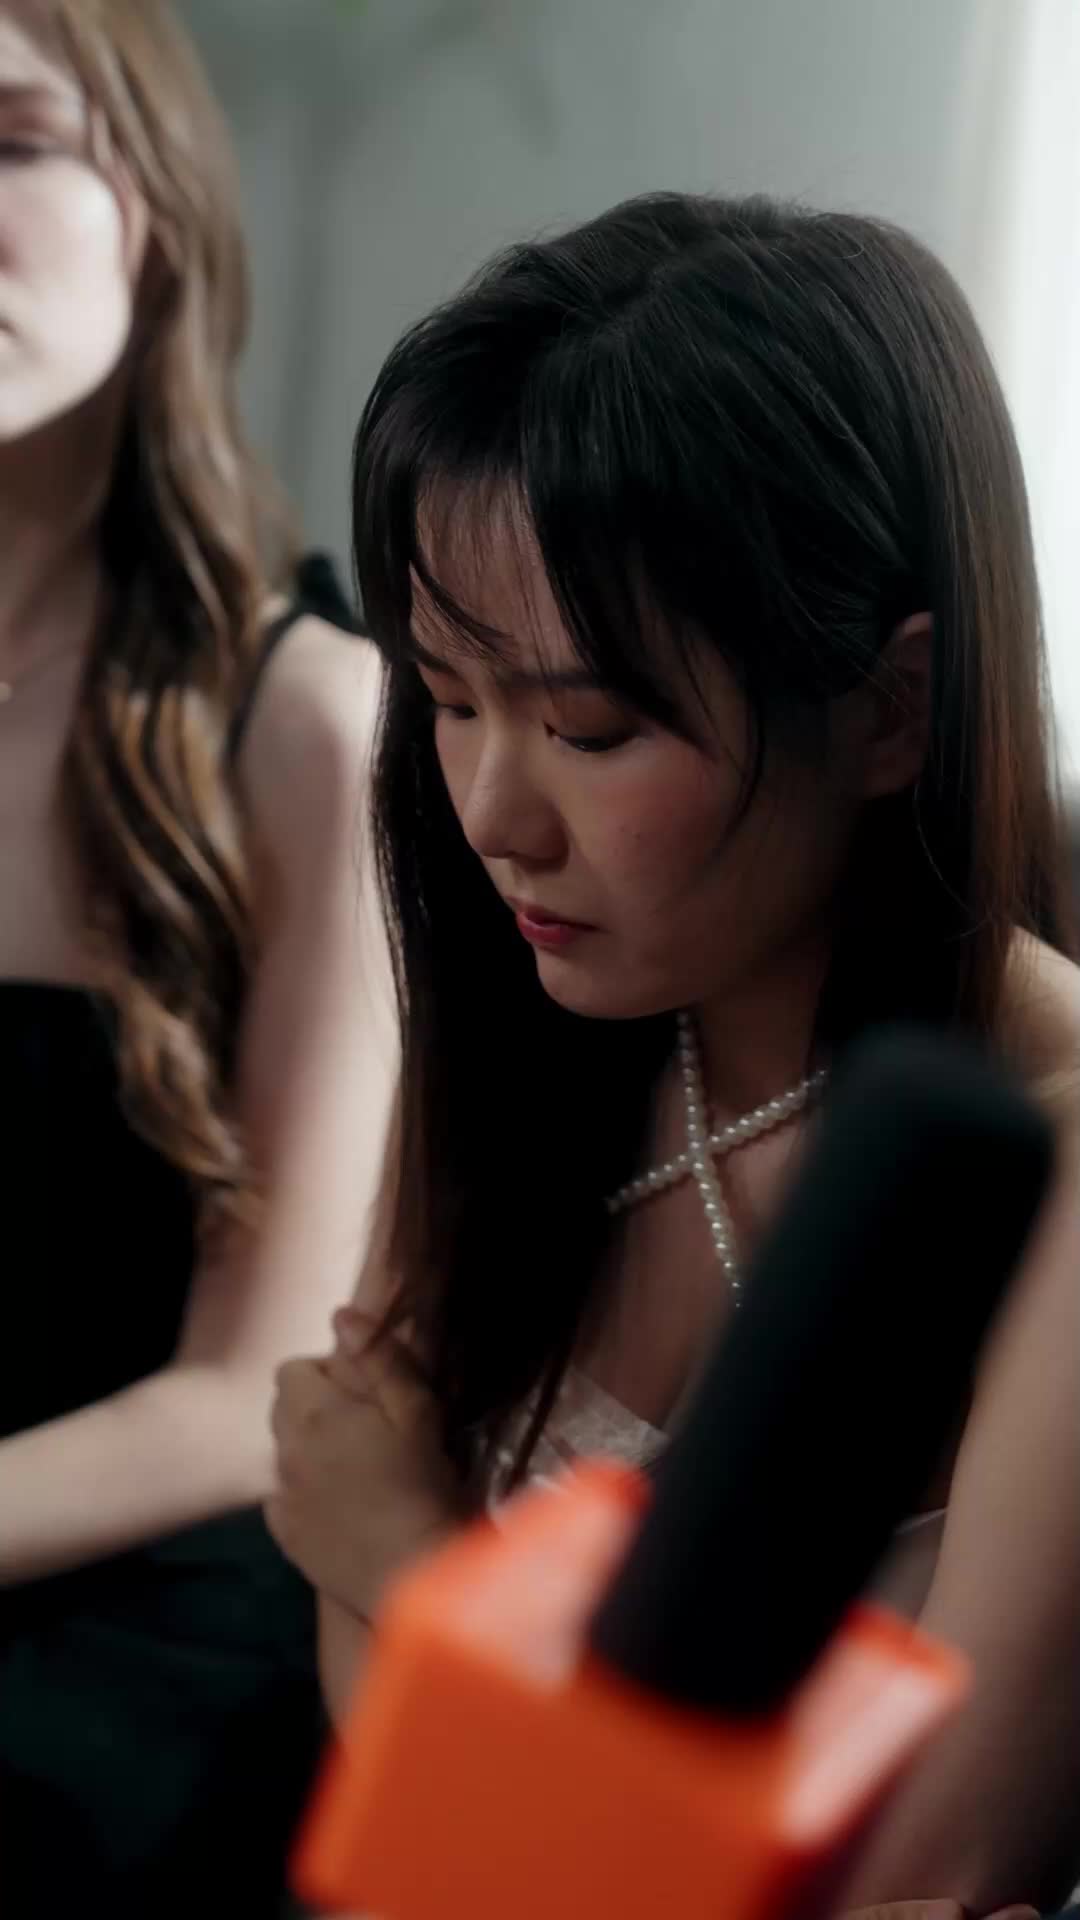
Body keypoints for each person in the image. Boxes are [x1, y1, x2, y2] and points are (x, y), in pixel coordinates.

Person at [268, 194, 1080, 1915]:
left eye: (588, 727)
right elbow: (360, 1674)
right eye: (449, 699)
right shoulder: (547, 1007)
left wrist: (414, 1572)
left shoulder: (1046, 1166)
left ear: (890, 708)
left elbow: (912, 1870)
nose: (492, 816)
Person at [0, 2, 394, 1913]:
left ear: (154, 207)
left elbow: (253, 1393)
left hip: (138, 1610)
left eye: (14, 144)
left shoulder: (312, 718)